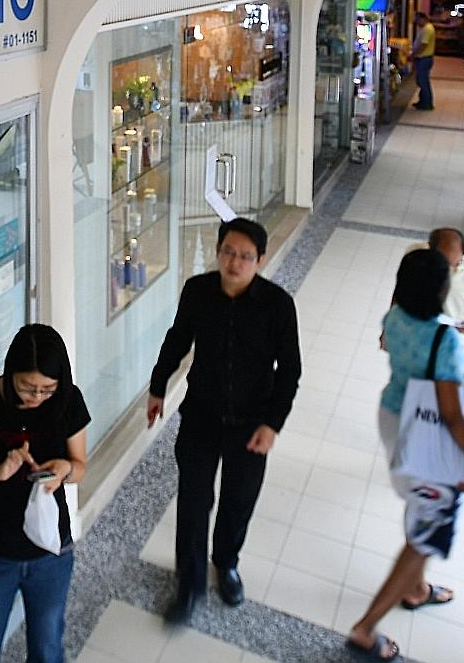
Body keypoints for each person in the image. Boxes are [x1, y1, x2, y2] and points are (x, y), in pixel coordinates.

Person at [146, 217, 302, 624]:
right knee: (194, 502)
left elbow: (290, 371)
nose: (235, 263)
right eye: (228, 253)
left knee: (238, 500)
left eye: (245, 257)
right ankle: (190, 584)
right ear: (218, 252)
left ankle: (227, 562)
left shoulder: (278, 305)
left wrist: (273, 424)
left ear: (261, 260)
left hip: (252, 424)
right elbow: (178, 338)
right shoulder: (198, 291)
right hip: (201, 416)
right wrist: (158, 385)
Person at [347, 249, 464, 661]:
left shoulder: (394, 319)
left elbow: (391, 349)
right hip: (430, 437)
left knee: (419, 509)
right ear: (443, 289)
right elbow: (450, 411)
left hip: (394, 418)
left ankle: (416, 589)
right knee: (426, 535)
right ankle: (365, 630)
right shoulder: (446, 342)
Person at [0, 324, 90, 663]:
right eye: (27, 387)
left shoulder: (69, 401)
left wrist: (64, 470)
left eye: (47, 389)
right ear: (11, 372)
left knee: (47, 649)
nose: (37, 397)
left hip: (50, 550)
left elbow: (81, 465)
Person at [408, 227, 464, 384]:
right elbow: (401, 291)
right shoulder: (416, 256)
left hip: (461, 348)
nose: (451, 269)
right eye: (445, 264)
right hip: (422, 344)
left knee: (455, 402)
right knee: (417, 398)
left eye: (457, 262)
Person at [411, 11, 436, 110]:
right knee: (421, 81)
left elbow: (423, 45)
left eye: (417, 20)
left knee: (423, 81)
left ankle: (427, 104)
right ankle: (423, 101)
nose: (416, 22)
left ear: (423, 19)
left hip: (424, 58)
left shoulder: (428, 29)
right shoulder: (424, 28)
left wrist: (414, 54)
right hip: (423, 58)